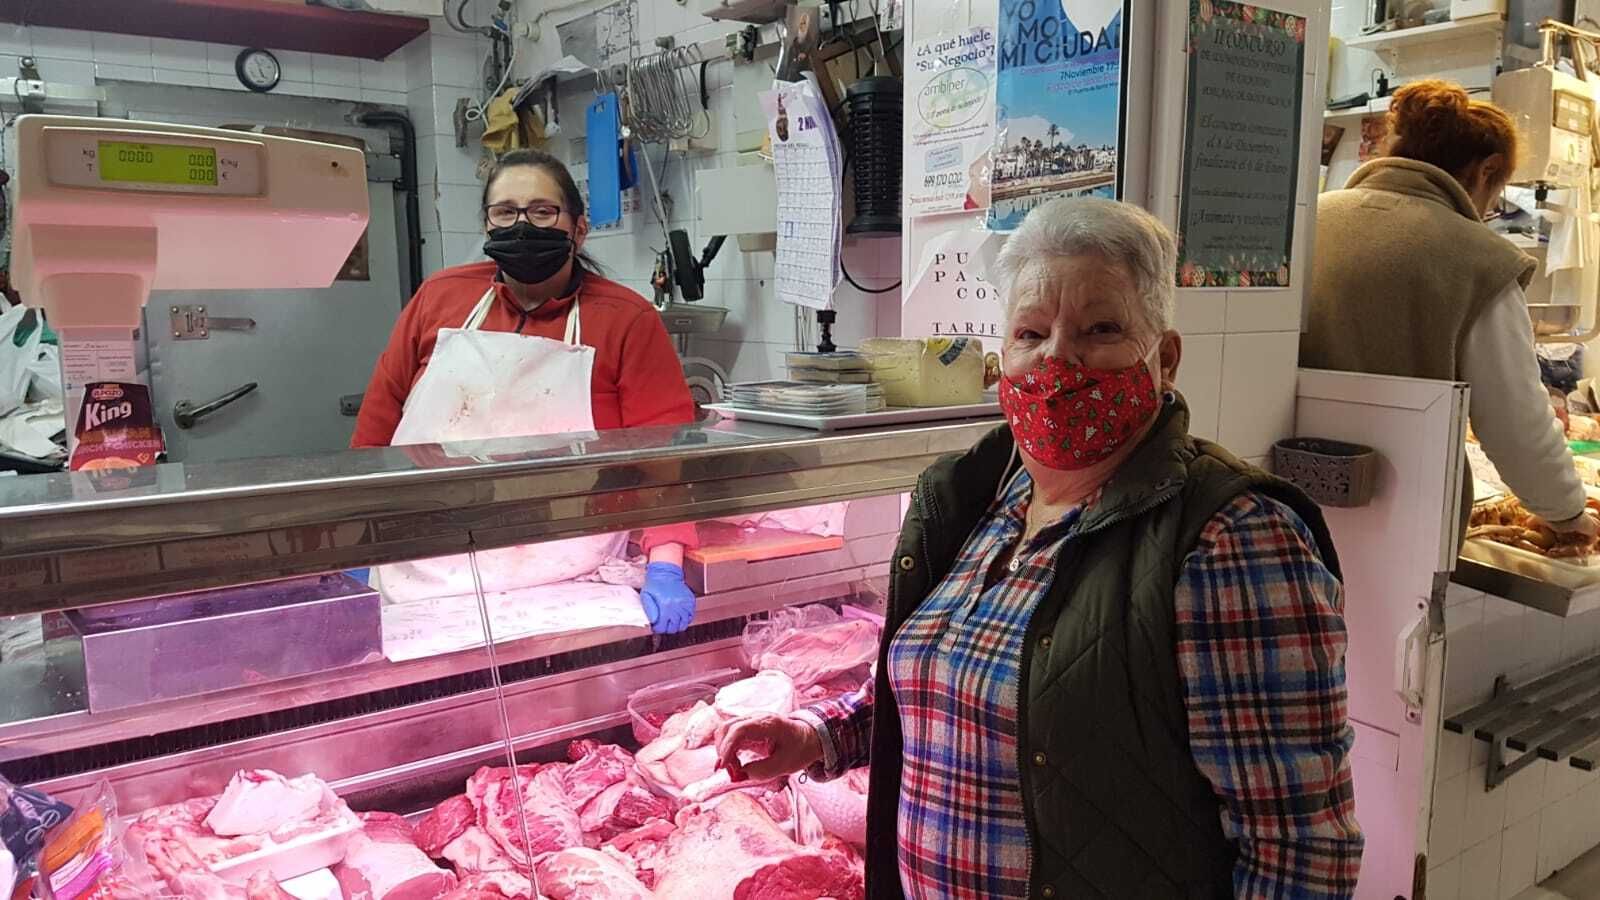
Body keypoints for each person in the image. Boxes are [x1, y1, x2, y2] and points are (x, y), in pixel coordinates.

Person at [720, 197, 1364, 898]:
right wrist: (821, 736)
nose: (1059, 357)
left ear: (1165, 358)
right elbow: (961, 687)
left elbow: (1301, 853)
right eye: (1032, 331)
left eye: (1101, 328)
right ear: (1005, 357)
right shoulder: (975, 499)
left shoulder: (1231, 539)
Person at [353, 149, 698, 633]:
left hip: (567, 572)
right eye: (505, 212)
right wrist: (354, 540)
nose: (522, 225)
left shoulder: (626, 318)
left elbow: (665, 459)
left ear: (578, 229)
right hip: (426, 566)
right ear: (488, 225)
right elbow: (377, 429)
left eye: (542, 211)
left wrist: (665, 564)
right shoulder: (440, 297)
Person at [1302, 79, 1600, 546]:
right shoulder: (1478, 259)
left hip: (1283, 501)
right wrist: (1565, 511)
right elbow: (1515, 422)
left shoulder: (1308, 221)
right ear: (1487, 171)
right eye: (1497, 195)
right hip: (1401, 523)